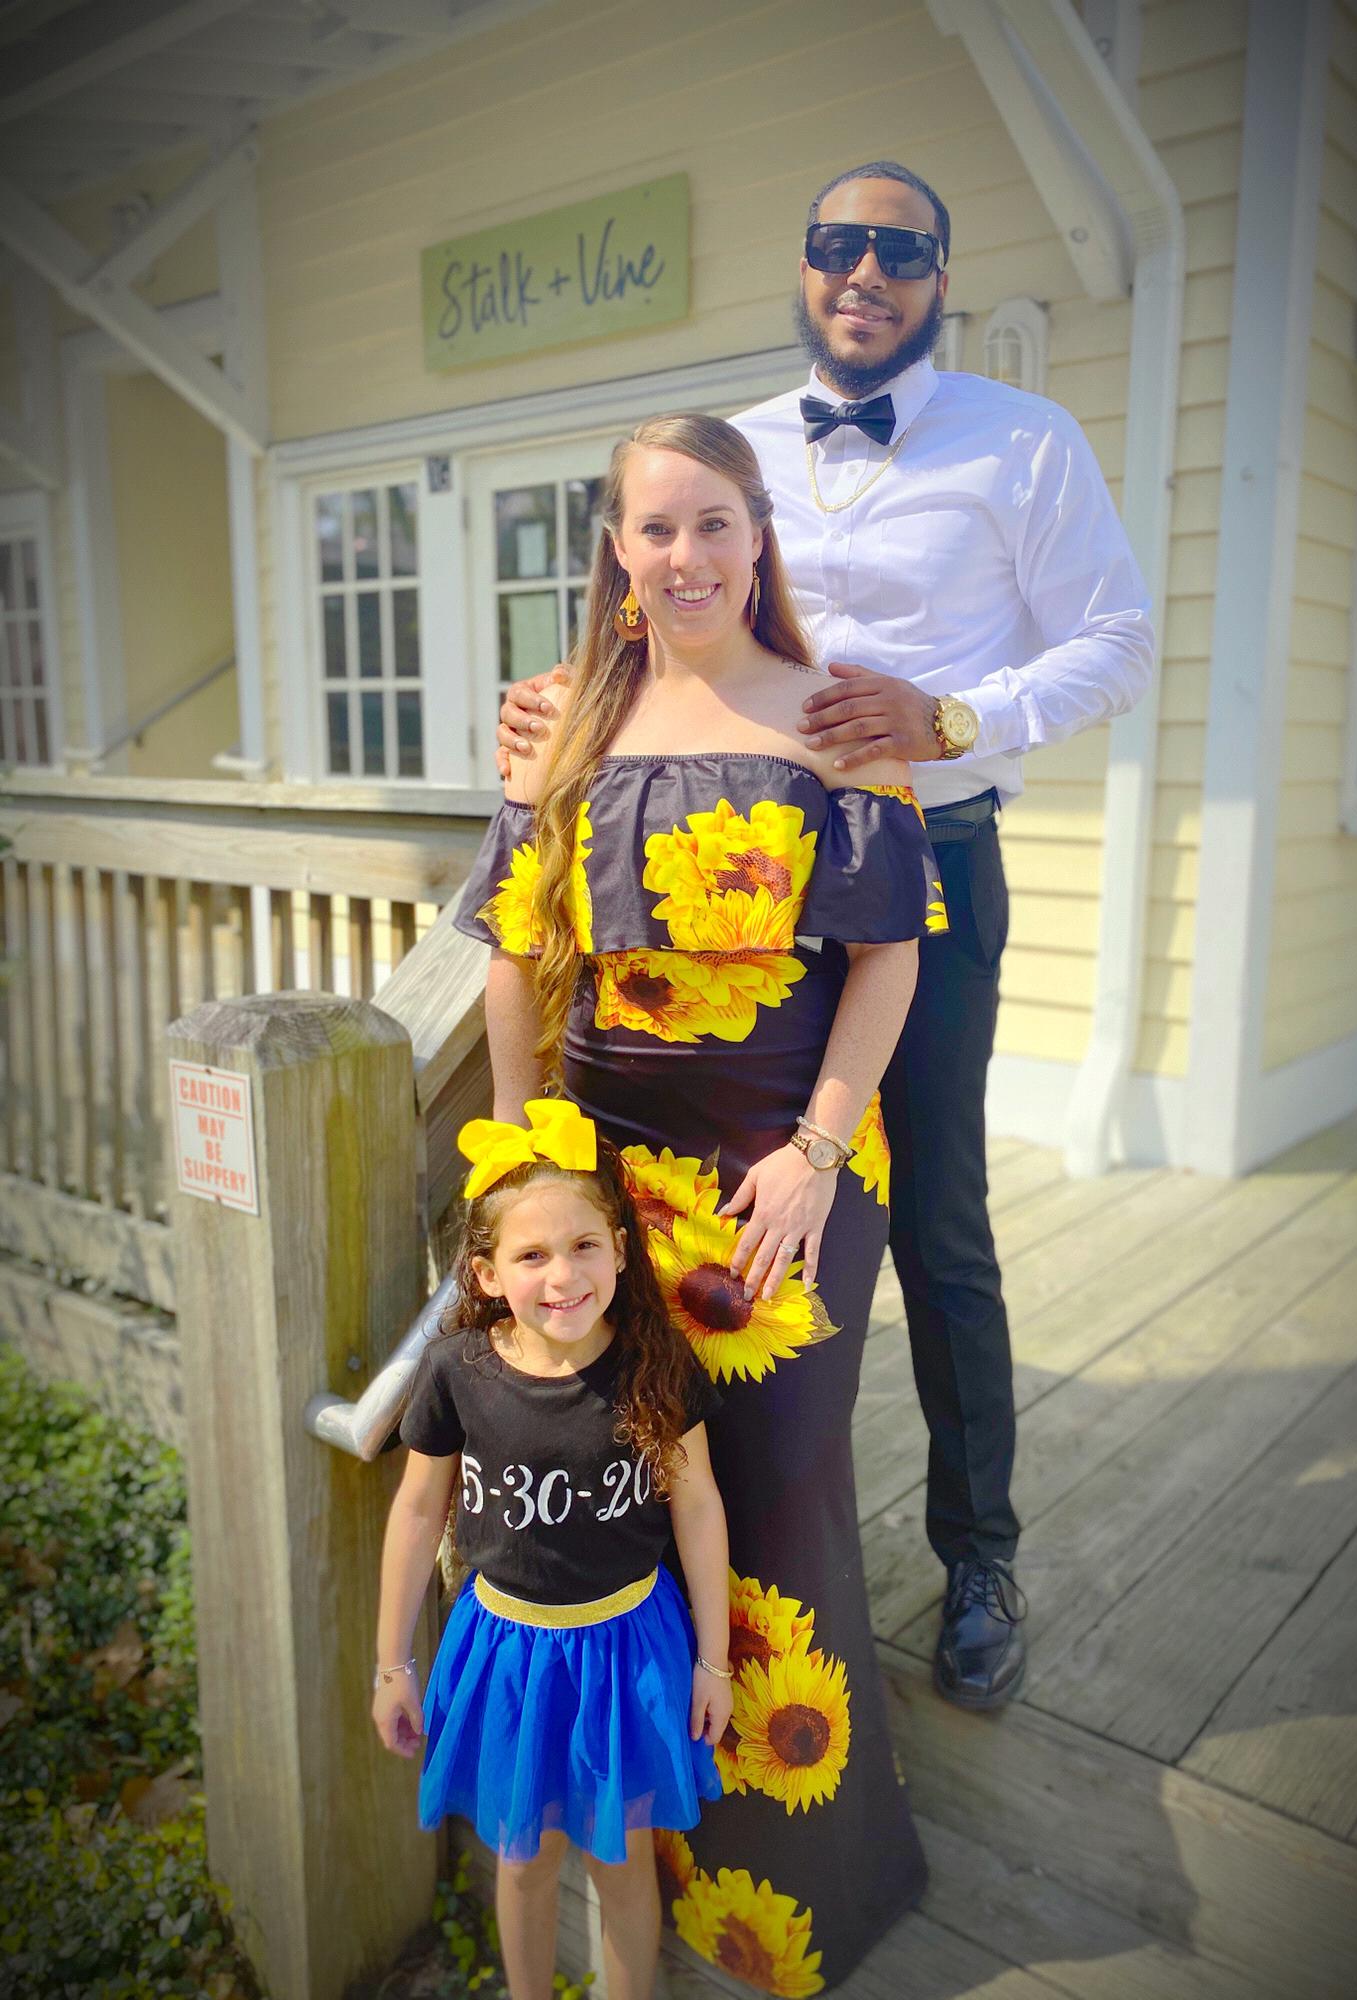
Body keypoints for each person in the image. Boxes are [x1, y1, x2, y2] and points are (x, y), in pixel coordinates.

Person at [499, 161, 1155, 1714]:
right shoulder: (734, 450)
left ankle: (976, 1555)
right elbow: (669, 597)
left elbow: (1120, 641)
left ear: (941, 278)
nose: (867, 271)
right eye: (838, 244)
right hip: (721, 889)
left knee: (933, 1225)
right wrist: (566, 701)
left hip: (922, 868)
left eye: (901, 250)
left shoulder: (1023, 440)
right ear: (803, 266)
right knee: (685, 1241)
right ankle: (680, 1571)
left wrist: (955, 717)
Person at [456, 411, 942, 1989]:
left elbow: (889, 958)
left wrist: (815, 1150)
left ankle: (795, 1888)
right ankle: (644, 1865)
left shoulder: (839, 714)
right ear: (616, 549)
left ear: (759, 534)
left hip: (788, 1172)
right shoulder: (561, 723)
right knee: (636, 1499)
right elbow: (517, 956)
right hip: (606, 1182)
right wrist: (527, 1161)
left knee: (780, 1496)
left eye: (715, 522)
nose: (686, 556)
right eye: (655, 528)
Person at [372, 1100, 731, 2000]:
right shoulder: (457, 1371)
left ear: (620, 1250)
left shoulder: (654, 1363)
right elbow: (417, 1513)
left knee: (623, 1862)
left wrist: (715, 1663)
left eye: (583, 1247)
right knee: (523, 1858)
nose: (563, 1275)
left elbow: (698, 1508)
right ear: (487, 1274)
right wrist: (392, 1666)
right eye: (531, 1256)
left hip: (629, 1648)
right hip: (507, 1652)